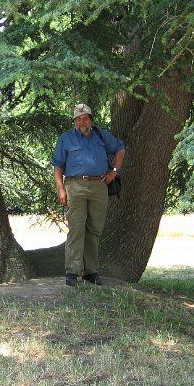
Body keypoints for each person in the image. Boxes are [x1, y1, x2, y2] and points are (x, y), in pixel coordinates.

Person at [52, 103, 125, 286]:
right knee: (76, 228)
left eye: (86, 117)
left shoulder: (101, 135)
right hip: (75, 186)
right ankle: (72, 272)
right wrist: (61, 188)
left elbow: (120, 148)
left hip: (100, 185)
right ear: (74, 121)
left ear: (91, 119)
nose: (82, 121)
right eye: (79, 118)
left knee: (94, 229)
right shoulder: (65, 139)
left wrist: (114, 170)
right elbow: (58, 166)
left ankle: (91, 271)